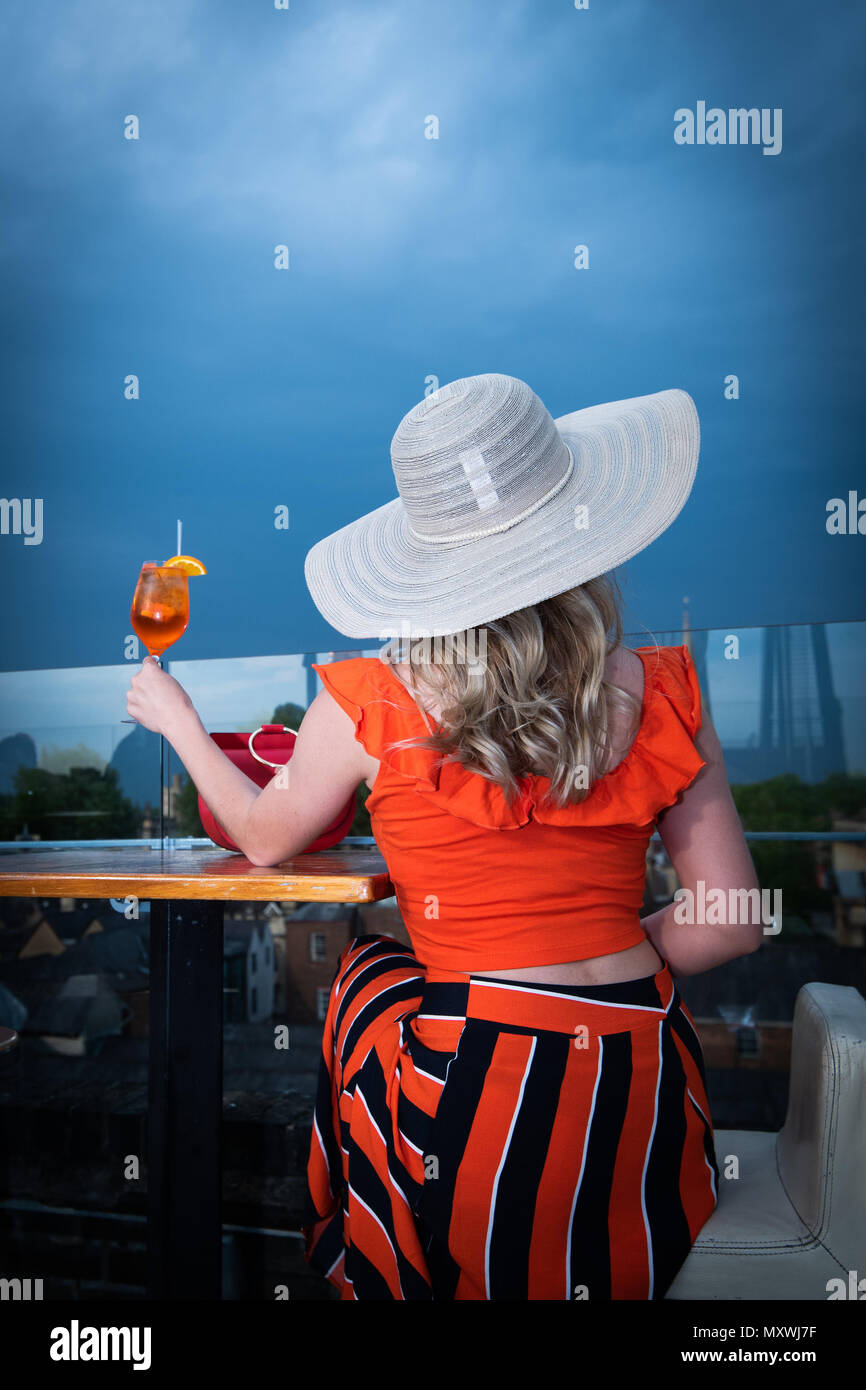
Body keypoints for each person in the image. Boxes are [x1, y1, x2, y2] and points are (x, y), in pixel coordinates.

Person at [126, 373, 763, 1301]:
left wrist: (179, 721)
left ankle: (378, 1260)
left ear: (424, 558)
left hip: (486, 1105)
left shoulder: (363, 703)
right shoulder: (664, 686)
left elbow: (263, 839)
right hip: (644, 1099)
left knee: (364, 979)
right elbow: (734, 922)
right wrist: (605, 963)